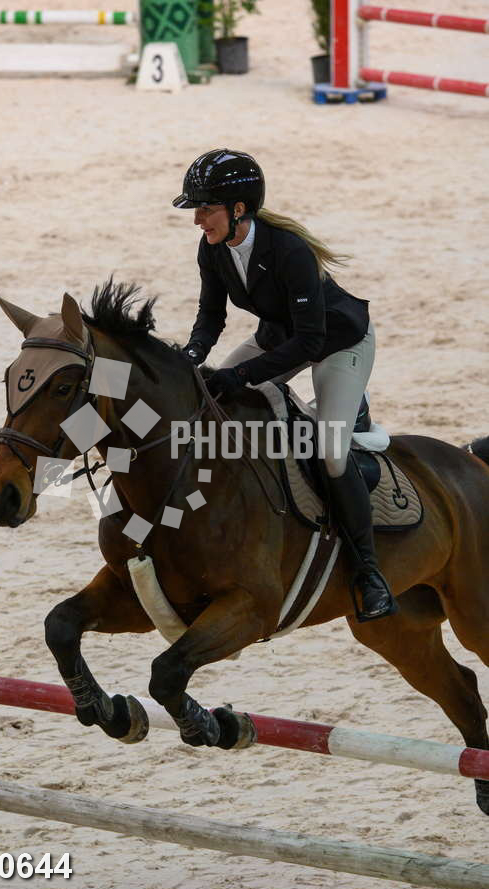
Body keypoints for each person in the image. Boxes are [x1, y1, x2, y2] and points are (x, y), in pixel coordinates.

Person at [173, 148, 397, 623]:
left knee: (331, 452)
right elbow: (211, 315)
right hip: (279, 336)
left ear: (238, 209)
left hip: (337, 342)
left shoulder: (289, 251)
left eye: (205, 209)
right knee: (212, 403)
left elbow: (310, 341)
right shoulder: (213, 248)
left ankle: (368, 572)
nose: (197, 220)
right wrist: (191, 357)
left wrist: (240, 375)